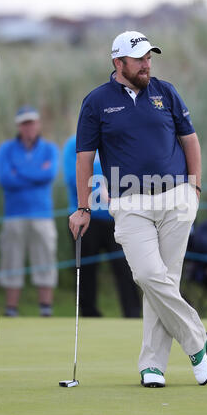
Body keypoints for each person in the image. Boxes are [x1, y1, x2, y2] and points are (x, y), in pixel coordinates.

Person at [69, 30, 207, 388]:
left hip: (176, 198)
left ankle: (152, 366)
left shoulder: (165, 92)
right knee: (149, 276)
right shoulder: (97, 102)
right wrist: (83, 207)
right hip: (129, 201)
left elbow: (189, 139)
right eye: (140, 59)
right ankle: (197, 340)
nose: (147, 64)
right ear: (119, 63)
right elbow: (84, 158)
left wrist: (194, 187)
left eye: (150, 58)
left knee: (165, 281)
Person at [63, 134, 141, 317]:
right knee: (87, 270)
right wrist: (100, 188)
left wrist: (115, 187)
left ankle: (132, 313)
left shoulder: (116, 139)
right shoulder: (73, 144)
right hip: (87, 219)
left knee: (126, 269)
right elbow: (71, 176)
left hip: (118, 218)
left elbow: (131, 170)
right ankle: (88, 313)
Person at [0, 105, 59, 317]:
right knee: (11, 261)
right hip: (14, 215)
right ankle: (11, 309)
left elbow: (48, 175)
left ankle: (45, 309)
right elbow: (6, 179)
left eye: (32, 122)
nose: (29, 126)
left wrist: (20, 171)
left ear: (38, 124)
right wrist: (34, 173)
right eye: (24, 123)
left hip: (42, 215)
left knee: (45, 260)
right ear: (19, 126)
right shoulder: (6, 149)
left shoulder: (49, 149)